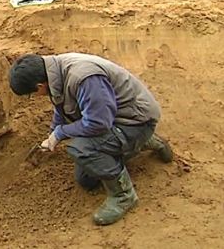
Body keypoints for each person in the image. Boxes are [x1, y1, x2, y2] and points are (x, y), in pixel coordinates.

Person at [9, 52, 173, 226]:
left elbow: (99, 122)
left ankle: (124, 195)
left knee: (80, 149)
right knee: (86, 179)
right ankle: (139, 143)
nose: (34, 97)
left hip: (136, 121)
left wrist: (61, 133)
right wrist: (52, 133)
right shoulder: (54, 71)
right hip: (115, 118)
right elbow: (61, 104)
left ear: (40, 86)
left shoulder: (83, 77)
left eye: (31, 94)